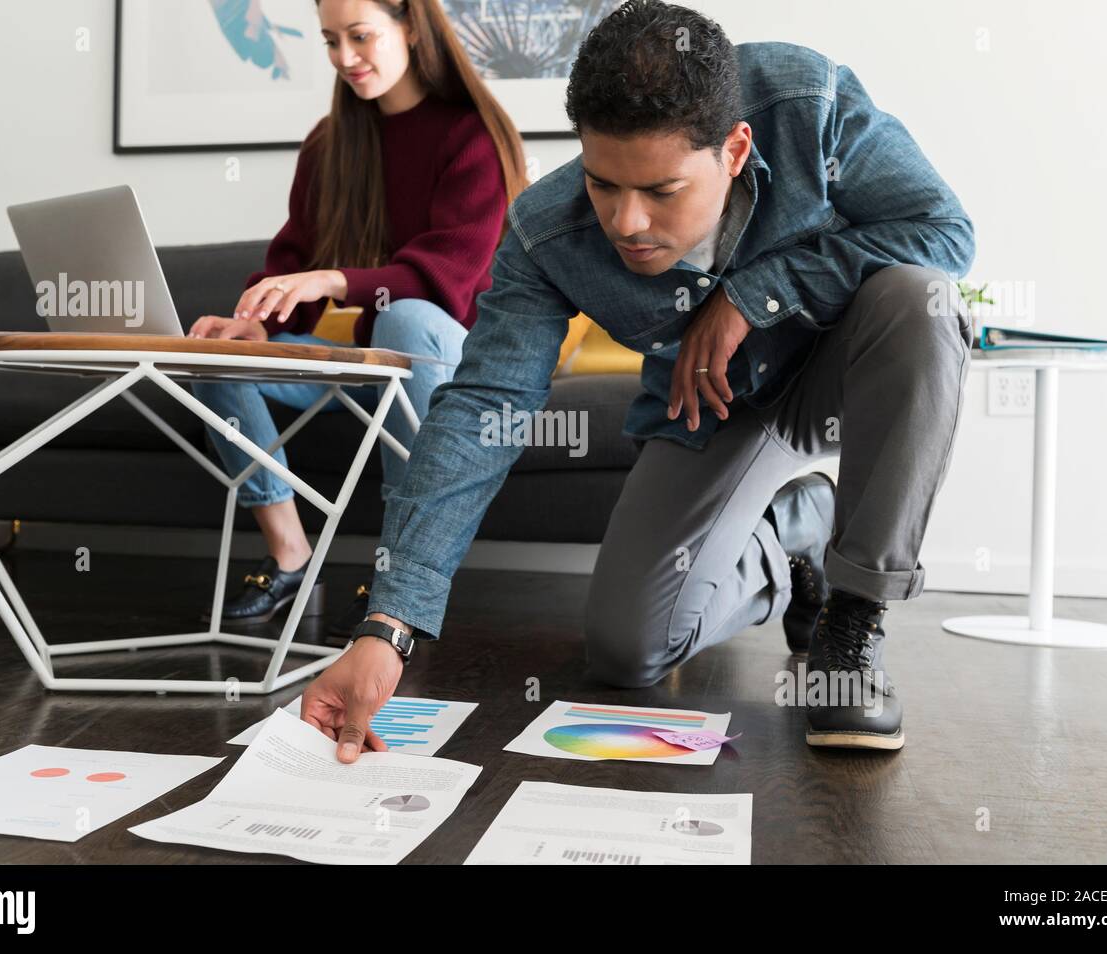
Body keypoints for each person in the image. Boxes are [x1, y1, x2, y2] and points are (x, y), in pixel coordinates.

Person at [303, 0, 975, 757]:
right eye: (603, 185)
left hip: (845, 375)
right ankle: (796, 534)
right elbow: (481, 406)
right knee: (629, 652)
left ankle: (854, 622)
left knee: (922, 298)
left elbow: (942, 231)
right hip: (714, 405)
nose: (625, 223)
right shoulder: (544, 233)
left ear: (733, 148)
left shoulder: (805, 103)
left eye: (661, 193)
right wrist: (388, 628)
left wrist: (752, 296)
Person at [187, 0, 527, 624]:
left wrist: (331, 281)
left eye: (361, 36)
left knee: (406, 318)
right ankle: (292, 557)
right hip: (374, 366)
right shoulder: (330, 143)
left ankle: (401, 575)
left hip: (449, 364)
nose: (345, 58)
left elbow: (445, 278)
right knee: (218, 360)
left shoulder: (471, 134)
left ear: (411, 26)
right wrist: (257, 325)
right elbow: (293, 254)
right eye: (330, 41)